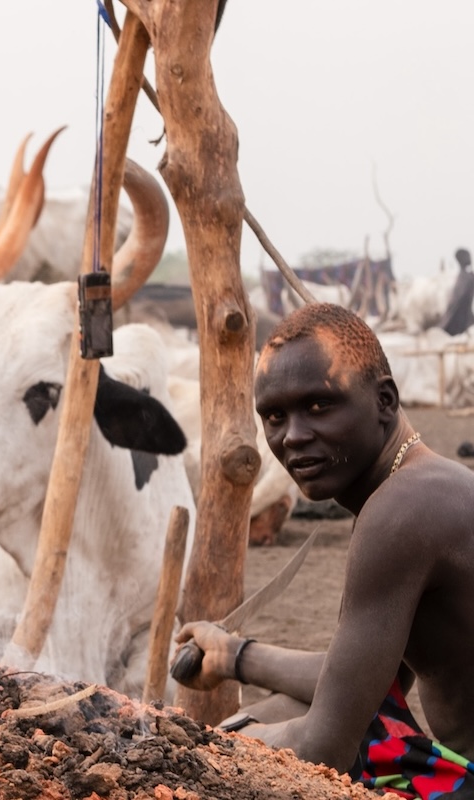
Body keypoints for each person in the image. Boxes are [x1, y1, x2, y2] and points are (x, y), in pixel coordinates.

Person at [173, 303, 474, 798]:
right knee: (282, 711)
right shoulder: (418, 489)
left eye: (319, 406)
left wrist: (209, 742)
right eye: (274, 416)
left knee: (255, 745)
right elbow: (356, 680)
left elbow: (324, 747)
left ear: (384, 401)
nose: (292, 436)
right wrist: (232, 655)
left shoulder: (404, 509)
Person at [440, 247, 474, 336]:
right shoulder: (464, 277)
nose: (469, 258)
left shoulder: (465, 277)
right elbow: (456, 302)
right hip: (462, 321)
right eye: (467, 256)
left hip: (466, 321)